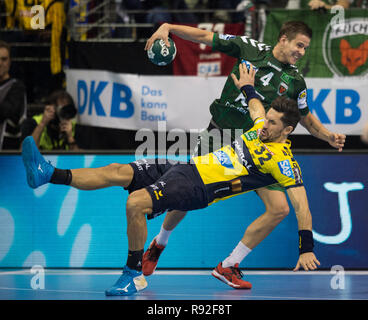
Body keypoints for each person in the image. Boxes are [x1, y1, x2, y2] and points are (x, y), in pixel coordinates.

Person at [21, 64, 320, 295]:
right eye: (266, 118)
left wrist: (306, 246)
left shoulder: (283, 162)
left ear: (288, 130)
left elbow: (301, 205)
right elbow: (255, 107)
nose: (264, 124)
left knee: (136, 204)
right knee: (116, 171)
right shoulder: (260, 128)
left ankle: (131, 274)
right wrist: (249, 87)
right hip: (187, 167)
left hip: (197, 187)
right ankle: (47, 174)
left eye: (272, 122)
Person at [141, 21, 345, 287]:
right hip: (220, 134)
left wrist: (328, 135)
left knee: (280, 208)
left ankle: (228, 265)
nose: (302, 52)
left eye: (305, 48)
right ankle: (160, 243)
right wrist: (167, 27)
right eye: (299, 45)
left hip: (257, 145)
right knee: (185, 196)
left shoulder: (295, 81)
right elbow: (205, 36)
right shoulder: (249, 48)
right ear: (283, 39)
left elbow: (305, 118)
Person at [0, 40, 27, 150]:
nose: (0, 63)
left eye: (4, 59)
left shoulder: (17, 87)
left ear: (10, 62)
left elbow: (5, 111)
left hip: (7, 154)